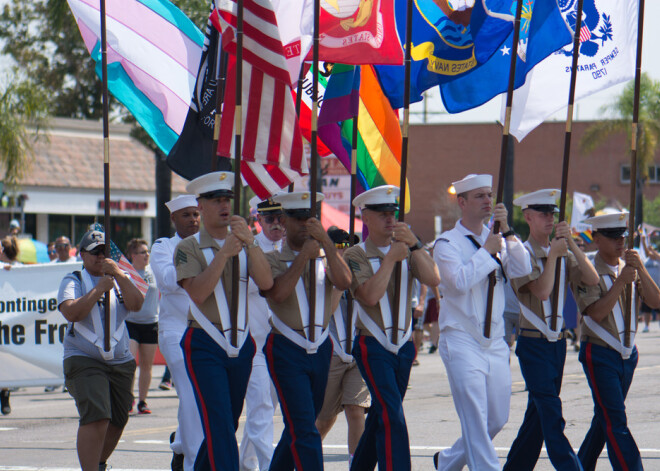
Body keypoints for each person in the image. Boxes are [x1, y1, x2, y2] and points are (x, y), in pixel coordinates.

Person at [432, 174, 532, 471]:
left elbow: (523, 268)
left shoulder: (499, 239)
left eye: (489, 195)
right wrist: (487, 250)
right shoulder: (446, 243)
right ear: (462, 202)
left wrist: (510, 234)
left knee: (496, 418)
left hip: (495, 341)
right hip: (461, 338)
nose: (488, 200)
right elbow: (460, 282)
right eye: (479, 196)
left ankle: (447, 462)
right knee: (475, 417)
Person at [175, 172, 273, 471]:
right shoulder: (189, 247)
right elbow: (199, 293)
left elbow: (267, 283)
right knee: (218, 422)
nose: (224, 205)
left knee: (227, 423)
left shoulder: (245, 243)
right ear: (200, 206)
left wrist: (250, 241)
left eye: (227, 199)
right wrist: (224, 253)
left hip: (241, 343)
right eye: (216, 200)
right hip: (205, 342)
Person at [343, 185, 440, 471]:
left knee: (381, 416)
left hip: (403, 346)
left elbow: (433, 278)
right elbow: (369, 296)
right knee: (392, 415)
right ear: (366, 217)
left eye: (393, 213)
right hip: (373, 344)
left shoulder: (408, 249)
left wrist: (416, 246)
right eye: (382, 214)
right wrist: (390, 259)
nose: (390, 219)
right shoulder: (355, 255)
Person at [503, 189, 599, 471]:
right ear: (528, 217)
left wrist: (570, 243)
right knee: (551, 413)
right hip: (533, 345)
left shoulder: (559, 249)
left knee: (537, 418)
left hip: (556, 345)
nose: (549, 219)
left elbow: (592, 279)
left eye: (553, 214)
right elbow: (542, 292)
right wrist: (556, 256)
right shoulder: (519, 254)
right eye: (543, 214)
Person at [261, 191, 352, 471]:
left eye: (309, 219)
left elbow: (344, 281)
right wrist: (303, 258)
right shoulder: (271, 258)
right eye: (298, 219)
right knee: (304, 427)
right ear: (285, 221)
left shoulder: (326, 256)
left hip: (321, 347)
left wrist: (326, 242)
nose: (303, 225)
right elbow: (278, 294)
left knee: (301, 425)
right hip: (287, 347)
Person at [575, 212, 660, 471]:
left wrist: (641, 268)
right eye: (612, 237)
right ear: (596, 239)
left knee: (604, 419)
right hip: (599, 352)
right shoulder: (587, 270)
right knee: (615, 420)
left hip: (626, 355)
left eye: (622, 236)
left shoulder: (629, 267)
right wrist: (621, 282)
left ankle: (579, 466)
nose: (620, 242)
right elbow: (596, 313)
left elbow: (656, 302)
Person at [57, 229, 144, 471]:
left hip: (119, 360)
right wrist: (98, 289)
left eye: (104, 252)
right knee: (97, 414)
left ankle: (99, 463)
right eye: (95, 252)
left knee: (118, 418)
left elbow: (136, 304)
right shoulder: (73, 279)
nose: (100, 256)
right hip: (84, 358)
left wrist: (118, 275)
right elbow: (71, 312)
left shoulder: (119, 277)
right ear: (83, 254)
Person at [151, 194, 203, 471]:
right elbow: (169, 281)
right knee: (191, 392)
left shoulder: (210, 244)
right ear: (174, 219)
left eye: (196, 214)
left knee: (196, 394)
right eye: (187, 215)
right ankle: (194, 462)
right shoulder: (163, 246)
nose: (193, 220)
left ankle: (181, 445)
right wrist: (201, 265)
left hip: (207, 329)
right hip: (176, 330)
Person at [315, 227, 370, 467]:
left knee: (355, 409)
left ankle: (356, 464)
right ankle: (307, 458)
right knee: (324, 419)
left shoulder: (359, 272)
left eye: (350, 246)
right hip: (331, 353)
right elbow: (325, 313)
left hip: (358, 351)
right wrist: (339, 284)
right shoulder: (322, 274)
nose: (346, 251)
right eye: (340, 247)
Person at [240, 196, 285, 471]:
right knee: (260, 407)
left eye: (281, 218)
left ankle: (245, 463)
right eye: (270, 219)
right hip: (255, 343)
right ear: (259, 220)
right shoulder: (247, 250)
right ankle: (270, 466)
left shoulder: (293, 248)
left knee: (268, 409)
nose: (277, 224)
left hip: (284, 344)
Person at [124, 238, 159, 415]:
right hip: (131, 322)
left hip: (151, 322)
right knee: (130, 361)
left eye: (147, 252)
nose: (146, 255)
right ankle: (128, 397)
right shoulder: (127, 272)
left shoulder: (153, 271)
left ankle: (143, 401)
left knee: (147, 365)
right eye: (142, 252)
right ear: (133, 255)